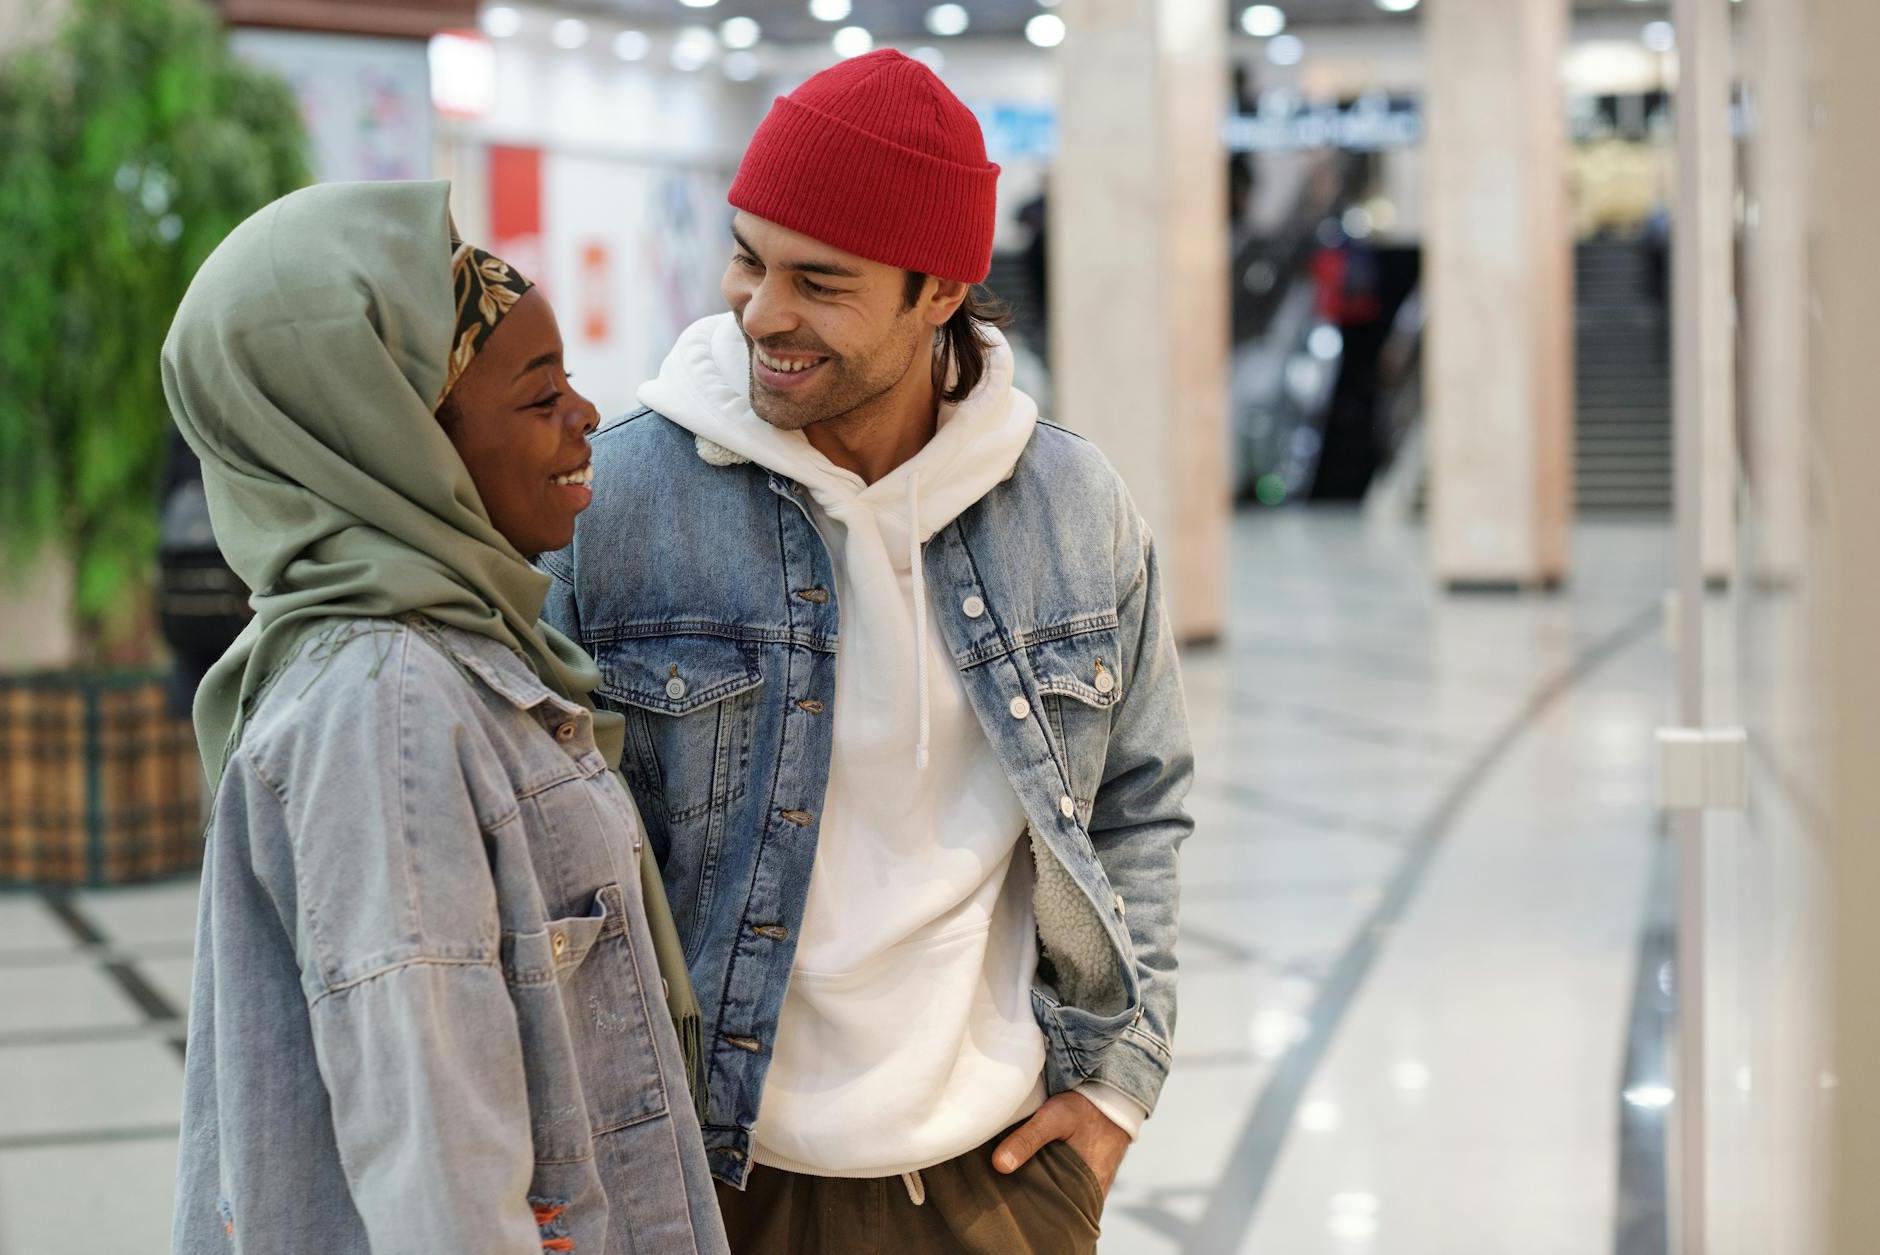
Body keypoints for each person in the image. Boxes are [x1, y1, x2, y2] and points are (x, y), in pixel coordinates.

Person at [542, 50, 1195, 1254]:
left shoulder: (1069, 504)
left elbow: (1139, 803)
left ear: (938, 290)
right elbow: (527, 848)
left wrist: (1112, 1092)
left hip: (996, 1180)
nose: (761, 310)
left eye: (819, 280)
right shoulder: (615, 502)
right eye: (748, 255)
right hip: (705, 1175)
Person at [162, 180, 729, 1255]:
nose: (586, 414)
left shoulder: (466, 653)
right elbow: (440, 1163)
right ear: (399, 441)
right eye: (536, 395)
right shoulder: (383, 709)